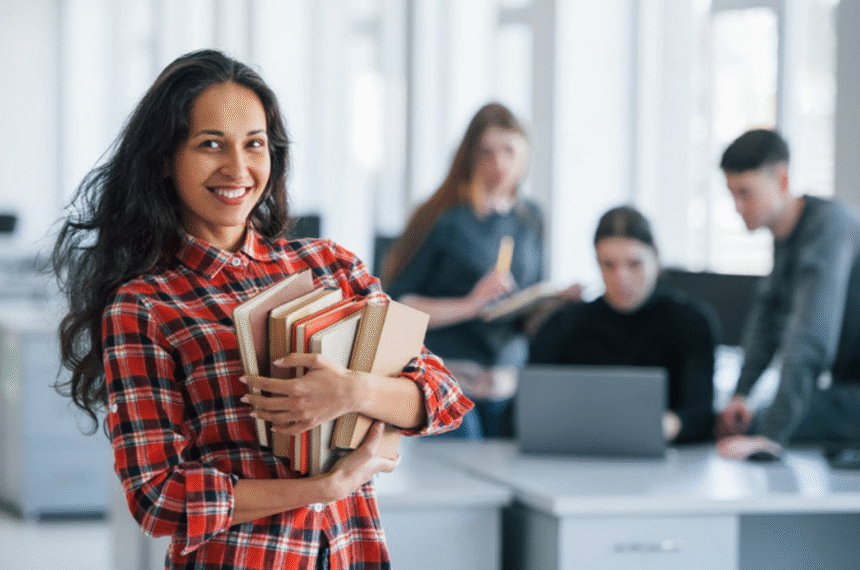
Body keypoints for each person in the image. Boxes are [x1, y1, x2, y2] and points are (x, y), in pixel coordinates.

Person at [50, 49, 472, 570]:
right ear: (165, 159)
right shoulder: (144, 305)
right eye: (210, 145)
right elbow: (158, 497)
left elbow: (443, 396)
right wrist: (322, 487)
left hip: (351, 554)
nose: (238, 168)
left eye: (255, 144)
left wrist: (351, 392)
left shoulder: (330, 267)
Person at [382, 102, 574, 439]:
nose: (499, 164)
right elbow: (397, 305)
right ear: (469, 155)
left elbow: (527, 297)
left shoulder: (532, 219)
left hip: (509, 386)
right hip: (451, 384)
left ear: (525, 154)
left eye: (509, 151)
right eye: (487, 152)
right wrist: (471, 304)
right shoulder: (443, 217)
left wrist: (547, 307)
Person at [714, 128, 860, 460]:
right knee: (751, 416)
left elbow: (809, 337)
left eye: (745, 193)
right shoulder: (786, 238)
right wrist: (740, 395)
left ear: (782, 180)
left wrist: (771, 438)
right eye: (731, 194)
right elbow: (767, 321)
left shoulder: (829, 227)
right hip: (847, 386)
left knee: (762, 421)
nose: (737, 206)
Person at [529, 206, 718, 444]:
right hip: (575, 459)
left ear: (656, 258)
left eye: (634, 264)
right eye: (608, 265)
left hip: (669, 463)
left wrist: (661, 426)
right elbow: (530, 408)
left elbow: (701, 415)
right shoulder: (563, 325)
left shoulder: (691, 323)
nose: (621, 278)